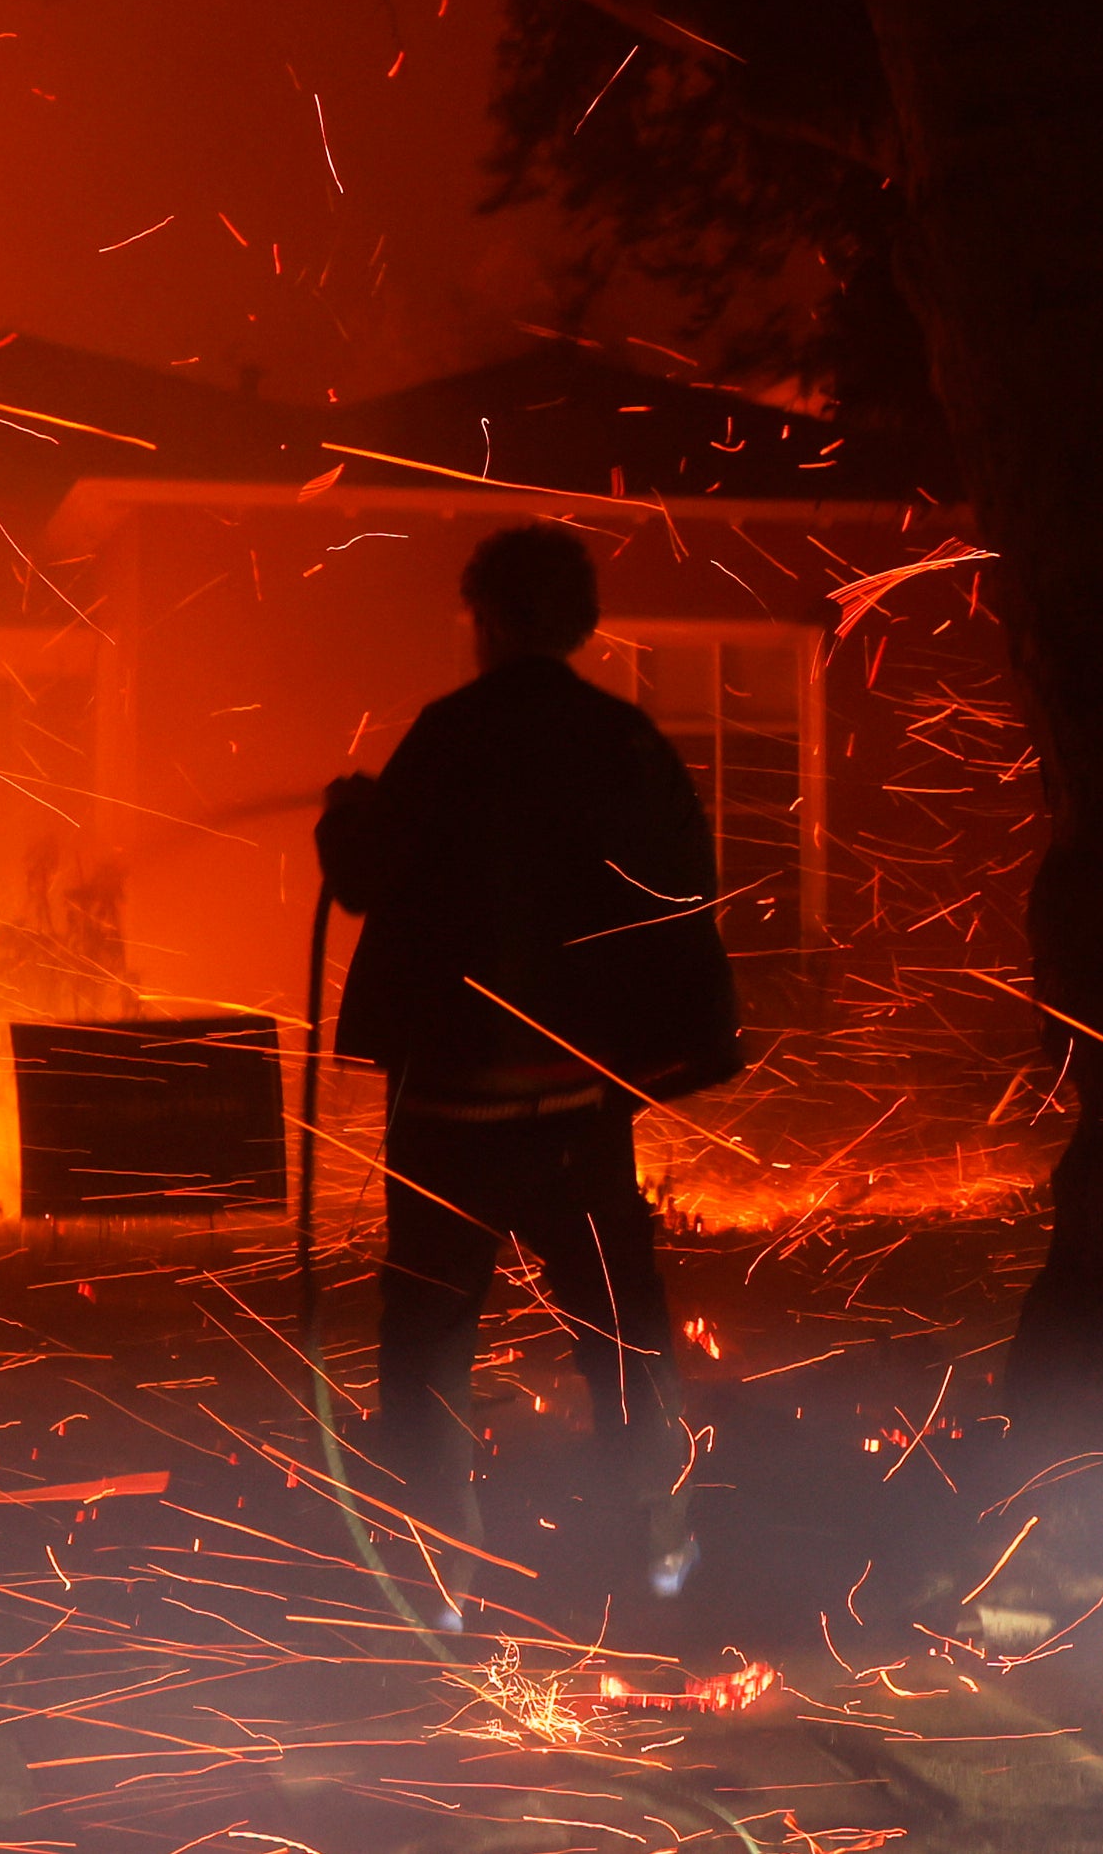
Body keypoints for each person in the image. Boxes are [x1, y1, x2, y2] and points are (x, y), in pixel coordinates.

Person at [317, 522, 747, 1609]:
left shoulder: (448, 736)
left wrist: (346, 819)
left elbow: (367, 875)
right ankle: (650, 1559)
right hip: (574, 1111)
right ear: (580, 623)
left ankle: (430, 1584)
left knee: (423, 1358)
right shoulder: (623, 741)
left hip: (452, 1116)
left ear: (492, 619)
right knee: (624, 1338)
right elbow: (679, 894)